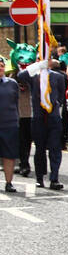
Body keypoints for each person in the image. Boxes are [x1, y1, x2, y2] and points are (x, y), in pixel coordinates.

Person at [25, 58, 67, 190]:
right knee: (40, 149)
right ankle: (39, 178)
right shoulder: (34, 76)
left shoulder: (57, 77)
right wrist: (37, 66)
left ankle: (54, 178)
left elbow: (61, 94)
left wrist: (56, 105)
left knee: (55, 148)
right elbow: (21, 76)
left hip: (53, 116)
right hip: (38, 116)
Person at [0, 55, 20, 193]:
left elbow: (16, 102)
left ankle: (9, 183)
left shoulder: (12, 83)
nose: (1, 68)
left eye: (2, 66)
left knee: (9, 155)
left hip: (9, 124)